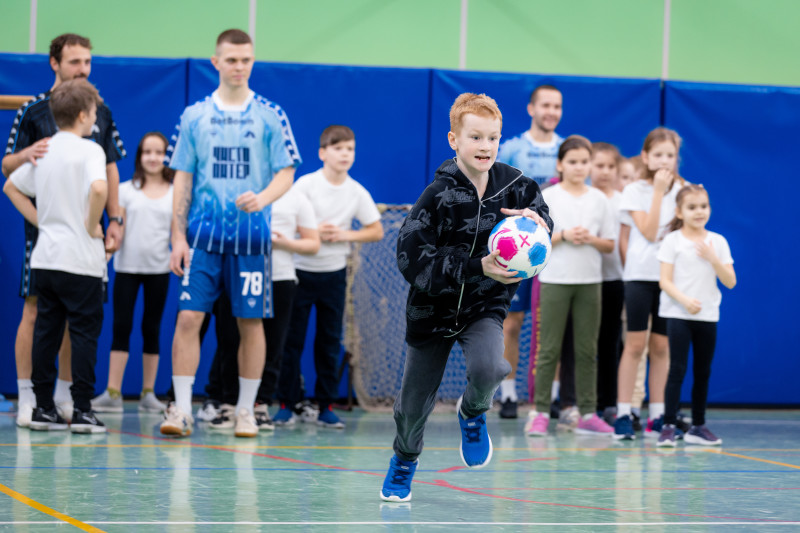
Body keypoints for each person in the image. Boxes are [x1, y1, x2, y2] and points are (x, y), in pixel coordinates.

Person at [380, 93, 553, 502]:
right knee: (411, 407)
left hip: (484, 306)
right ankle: (404, 460)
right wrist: (477, 266)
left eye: (493, 138)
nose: (485, 146)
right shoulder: (436, 196)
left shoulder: (517, 186)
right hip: (431, 309)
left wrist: (538, 220)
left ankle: (473, 413)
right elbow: (411, 261)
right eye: (475, 137)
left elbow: (543, 218)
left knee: (492, 366)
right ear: (453, 140)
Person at [159, 29, 301, 439]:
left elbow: (287, 172)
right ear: (215, 62)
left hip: (252, 242)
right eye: (232, 59)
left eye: (246, 59)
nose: (239, 66)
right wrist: (177, 237)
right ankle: (182, 409)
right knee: (188, 317)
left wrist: (263, 197)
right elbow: (182, 179)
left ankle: (244, 411)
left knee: (250, 323)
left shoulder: (270, 114)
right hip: (202, 239)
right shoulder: (194, 116)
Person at [2, 33, 126, 427]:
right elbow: (10, 170)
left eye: (88, 62)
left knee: (71, 322)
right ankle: (31, 398)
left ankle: (62, 399)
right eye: (75, 62)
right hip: (52, 237)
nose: (83, 69)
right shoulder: (34, 111)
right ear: (55, 63)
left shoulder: (100, 110)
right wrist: (26, 157)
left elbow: (109, 170)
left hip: (73, 236)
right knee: (39, 314)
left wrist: (114, 219)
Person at [273, 125, 383, 429]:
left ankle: (325, 406)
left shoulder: (356, 191)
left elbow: (376, 230)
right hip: (298, 273)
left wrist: (343, 234)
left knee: (329, 342)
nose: (345, 154)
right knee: (290, 340)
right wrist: (310, 233)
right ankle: (287, 403)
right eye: (338, 148)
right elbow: (286, 220)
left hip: (334, 275)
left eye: (350, 149)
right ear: (322, 153)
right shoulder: (305, 185)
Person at [199, 184, 320, 431]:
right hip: (235, 274)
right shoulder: (236, 190)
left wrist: (286, 243)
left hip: (279, 277)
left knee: (273, 344)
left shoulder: (296, 197)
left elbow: (313, 244)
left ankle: (260, 405)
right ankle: (229, 404)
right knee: (230, 340)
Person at [525, 136, 615, 436]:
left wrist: (590, 238)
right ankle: (538, 412)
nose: (579, 167)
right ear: (560, 165)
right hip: (554, 281)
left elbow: (609, 244)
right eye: (572, 161)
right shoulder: (548, 196)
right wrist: (563, 236)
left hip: (590, 283)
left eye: (584, 162)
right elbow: (536, 240)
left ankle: (587, 413)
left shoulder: (599, 200)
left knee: (587, 350)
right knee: (548, 349)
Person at [91, 132, 174, 414]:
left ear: (166, 156)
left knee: (151, 329)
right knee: (121, 328)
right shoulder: (125, 190)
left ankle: (148, 393)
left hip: (159, 271)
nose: (153, 157)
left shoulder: (176, 193)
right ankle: (113, 393)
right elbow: (118, 230)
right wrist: (107, 252)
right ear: (139, 156)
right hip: (126, 269)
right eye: (147, 152)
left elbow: (178, 234)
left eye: (159, 152)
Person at [495, 84, 564, 419]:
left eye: (557, 106)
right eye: (545, 105)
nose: (551, 111)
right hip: (519, 248)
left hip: (559, 251)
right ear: (531, 109)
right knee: (512, 324)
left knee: (553, 325)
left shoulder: (567, 149)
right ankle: (508, 394)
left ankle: (550, 395)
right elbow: (494, 193)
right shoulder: (511, 149)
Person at [614, 127, 687, 440]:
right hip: (640, 277)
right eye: (658, 155)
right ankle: (623, 414)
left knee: (661, 346)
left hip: (668, 278)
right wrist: (658, 191)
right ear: (645, 156)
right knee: (634, 345)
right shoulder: (634, 191)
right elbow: (647, 230)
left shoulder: (684, 190)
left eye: (670, 155)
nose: (664, 160)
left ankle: (658, 416)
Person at [657, 185, 736, 447]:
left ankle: (698, 426)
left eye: (703, 206)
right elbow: (664, 281)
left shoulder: (719, 242)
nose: (699, 212)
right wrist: (684, 300)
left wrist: (714, 259)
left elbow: (730, 281)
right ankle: (668, 425)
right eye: (692, 207)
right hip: (678, 314)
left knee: (703, 371)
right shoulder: (672, 241)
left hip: (708, 316)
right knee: (677, 369)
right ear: (679, 211)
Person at [589, 142, 625, 424]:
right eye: (599, 165)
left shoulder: (623, 201)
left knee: (611, 343)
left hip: (615, 280)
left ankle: (610, 403)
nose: (604, 172)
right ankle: (582, 402)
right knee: (584, 344)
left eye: (610, 167)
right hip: (585, 281)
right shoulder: (584, 198)